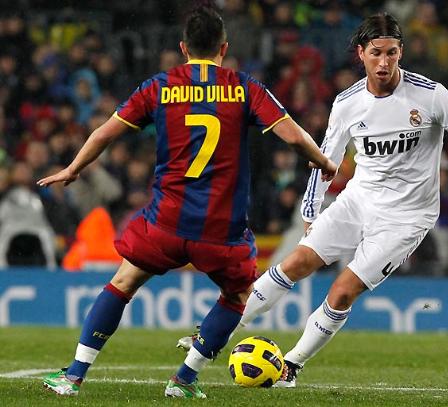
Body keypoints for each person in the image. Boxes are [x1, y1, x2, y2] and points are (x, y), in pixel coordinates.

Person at [179, 12, 448, 387]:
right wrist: (310, 210)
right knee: (296, 262)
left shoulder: (431, 95)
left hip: (407, 217)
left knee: (342, 291)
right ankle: (213, 333)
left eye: (391, 53)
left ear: (401, 52)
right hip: (358, 200)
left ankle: (291, 365)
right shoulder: (348, 103)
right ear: (361, 53)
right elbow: (326, 159)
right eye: (376, 53)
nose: (384, 62)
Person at [38, 7, 336, 398]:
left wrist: (73, 168)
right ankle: (184, 380)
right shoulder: (244, 87)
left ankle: (74, 376)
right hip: (221, 229)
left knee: (123, 282)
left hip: (167, 221)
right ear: (224, 48)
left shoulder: (159, 86)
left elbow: (104, 133)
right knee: (237, 297)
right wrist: (324, 162)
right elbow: (295, 137)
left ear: (183, 48)